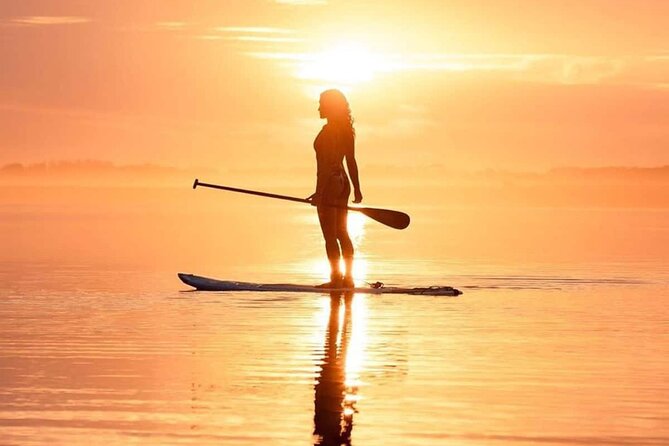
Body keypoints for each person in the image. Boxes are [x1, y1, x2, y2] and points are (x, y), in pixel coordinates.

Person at [307, 89, 362, 289]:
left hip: (330, 183)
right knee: (342, 232)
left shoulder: (329, 132)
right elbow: (351, 161)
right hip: (343, 183)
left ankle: (336, 279)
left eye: (322, 103)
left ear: (331, 107)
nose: (319, 107)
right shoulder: (346, 130)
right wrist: (357, 189)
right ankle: (348, 279)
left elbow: (326, 166)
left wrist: (320, 192)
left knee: (330, 235)